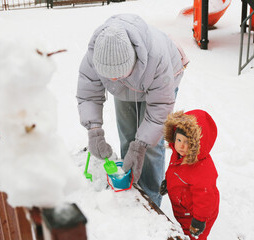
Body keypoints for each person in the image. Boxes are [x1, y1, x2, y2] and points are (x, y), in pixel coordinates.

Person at [76, 14, 188, 207]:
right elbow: (88, 94)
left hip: (161, 81)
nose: (112, 80)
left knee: (149, 146)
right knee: (129, 136)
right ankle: (132, 183)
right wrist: (94, 130)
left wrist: (142, 144)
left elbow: (159, 110)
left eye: (118, 75)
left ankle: (152, 199)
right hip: (129, 86)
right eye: (108, 76)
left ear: (133, 62)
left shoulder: (157, 57)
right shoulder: (96, 54)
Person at [159, 110, 219, 240]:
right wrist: (168, 183)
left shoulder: (202, 170)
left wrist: (199, 220)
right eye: (179, 139)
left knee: (194, 237)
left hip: (197, 215)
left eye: (187, 142)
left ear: (197, 144)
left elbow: (205, 198)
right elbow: (174, 172)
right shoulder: (178, 155)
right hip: (184, 210)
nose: (181, 145)